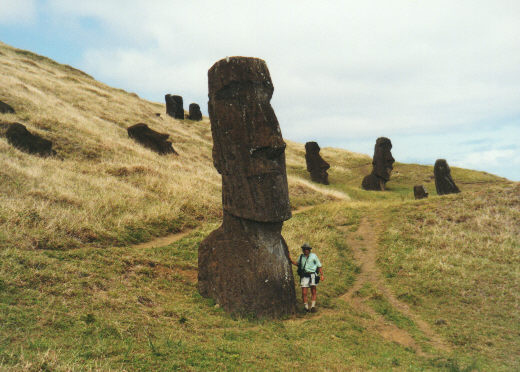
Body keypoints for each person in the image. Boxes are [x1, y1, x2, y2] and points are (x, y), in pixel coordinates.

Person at [289, 243, 324, 313]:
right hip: (304, 276)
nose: (306, 251)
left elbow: (319, 265)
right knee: (304, 292)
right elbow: (298, 264)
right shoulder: (301, 257)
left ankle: (313, 306)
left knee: (313, 291)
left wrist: (322, 274)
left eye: (307, 249)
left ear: (309, 250)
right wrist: (291, 260)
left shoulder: (314, 256)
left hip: (312, 275)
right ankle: (306, 307)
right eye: (304, 249)